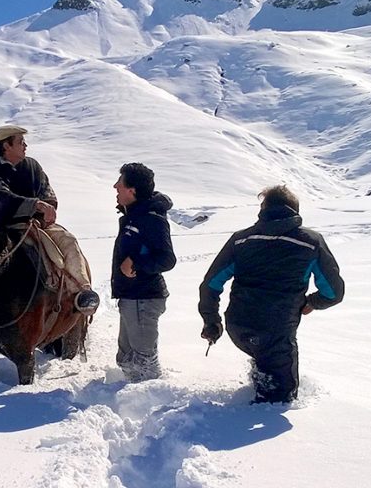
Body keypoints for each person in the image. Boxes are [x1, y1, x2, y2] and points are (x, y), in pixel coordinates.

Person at [0, 125, 99, 342]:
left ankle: (81, 293)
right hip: (2, 229)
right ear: (6, 145)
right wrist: (36, 205)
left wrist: (44, 209)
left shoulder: (33, 166)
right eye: (20, 141)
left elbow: (48, 193)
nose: (25, 145)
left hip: (38, 225)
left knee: (67, 241)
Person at [198, 185, 344, 404]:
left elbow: (211, 284)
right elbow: (333, 293)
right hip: (277, 332)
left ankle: (258, 385)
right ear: (295, 211)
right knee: (278, 403)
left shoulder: (240, 240)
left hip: (238, 327)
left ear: (263, 209)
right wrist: (311, 302)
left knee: (263, 360)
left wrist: (212, 321)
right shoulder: (310, 242)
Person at [111, 163, 176, 381]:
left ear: (132, 190)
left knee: (144, 363)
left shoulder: (151, 218)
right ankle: (127, 401)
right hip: (132, 297)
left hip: (144, 298)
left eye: (119, 185)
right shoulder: (135, 216)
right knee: (126, 359)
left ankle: (150, 406)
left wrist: (136, 262)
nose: (115, 187)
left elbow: (167, 259)